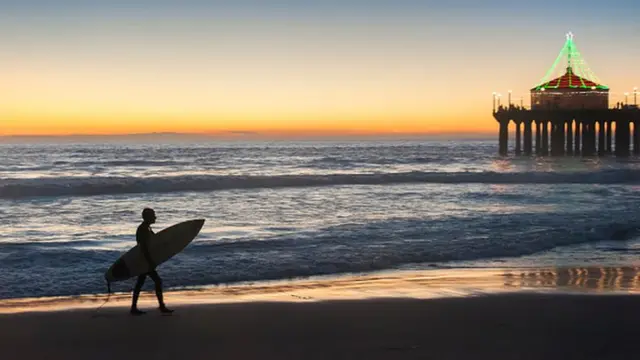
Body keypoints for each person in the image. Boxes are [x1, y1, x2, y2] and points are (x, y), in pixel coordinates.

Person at [130, 207, 173, 315]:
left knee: (140, 283)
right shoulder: (143, 229)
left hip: (144, 260)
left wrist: (166, 244)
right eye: (153, 215)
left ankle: (134, 308)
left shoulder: (147, 228)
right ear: (148, 217)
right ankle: (161, 307)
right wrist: (150, 262)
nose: (155, 217)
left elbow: (155, 240)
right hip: (144, 260)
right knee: (157, 281)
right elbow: (143, 248)